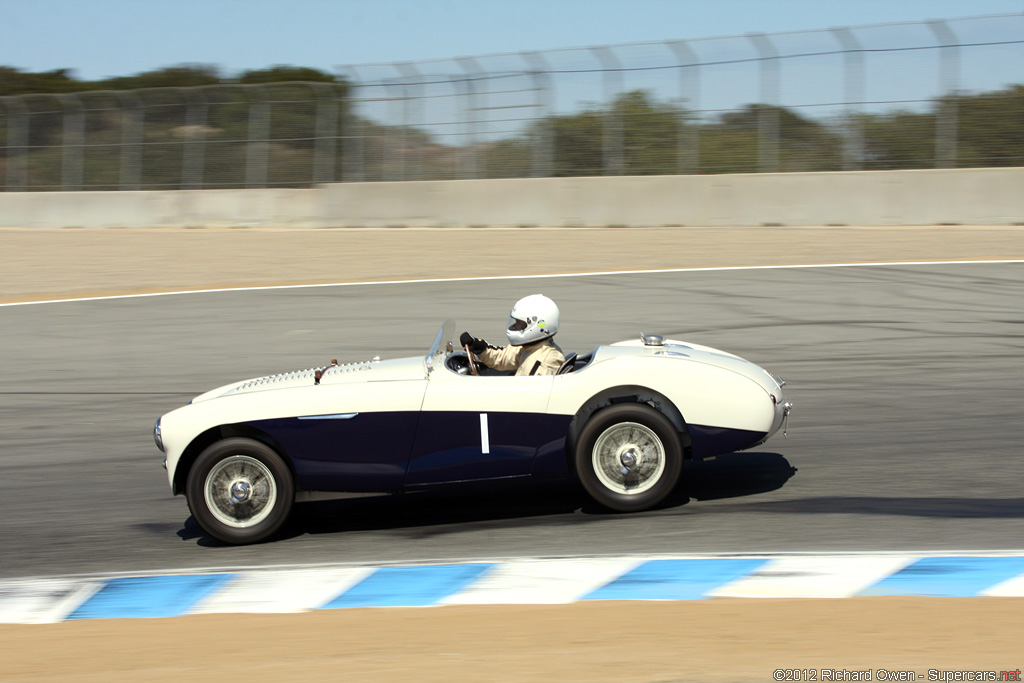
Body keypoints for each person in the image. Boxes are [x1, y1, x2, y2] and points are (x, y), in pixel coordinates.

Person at [460, 294, 565, 376]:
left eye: (520, 324)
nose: (514, 327)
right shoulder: (532, 348)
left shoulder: (543, 363)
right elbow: (503, 357)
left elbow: (527, 397)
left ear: (539, 325)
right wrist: (478, 346)